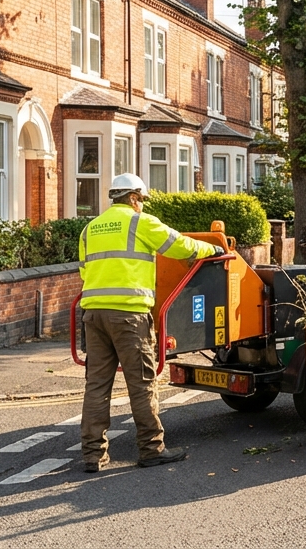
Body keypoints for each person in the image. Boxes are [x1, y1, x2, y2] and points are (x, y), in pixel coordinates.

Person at [77, 173, 224, 472]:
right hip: (129, 316)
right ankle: (151, 449)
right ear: (133, 198)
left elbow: (83, 271)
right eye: (142, 200)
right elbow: (180, 246)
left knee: (96, 386)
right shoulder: (138, 222)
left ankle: (93, 455)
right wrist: (214, 250)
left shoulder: (89, 229)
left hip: (93, 314)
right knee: (142, 384)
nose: (142, 205)